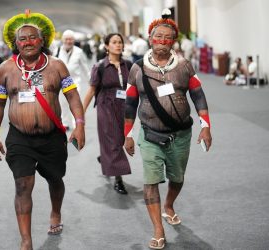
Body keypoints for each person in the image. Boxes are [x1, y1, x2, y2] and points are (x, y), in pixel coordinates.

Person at [0, 10, 85, 250]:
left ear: (42, 41)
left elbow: (73, 97)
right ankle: (26, 241)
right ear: (15, 43)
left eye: (33, 38)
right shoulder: (6, 70)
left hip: (52, 136)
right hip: (19, 138)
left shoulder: (57, 67)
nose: (28, 42)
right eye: (23, 39)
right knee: (23, 185)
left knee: (56, 179)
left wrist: (79, 126)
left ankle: (55, 212)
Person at [123, 13, 212, 249]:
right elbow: (130, 103)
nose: (162, 41)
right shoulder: (137, 69)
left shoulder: (183, 65)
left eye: (167, 38)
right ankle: (158, 229)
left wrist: (206, 126)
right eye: (158, 37)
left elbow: (198, 96)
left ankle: (169, 205)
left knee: (178, 178)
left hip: (180, 135)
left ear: (173, 42)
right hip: (150, 135)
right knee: (150, 181)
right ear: (150, 39)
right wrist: (128, 134)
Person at [82, 33, 132, 194]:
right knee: (114, 140)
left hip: (124, 107)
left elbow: (135, 88)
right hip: (106, 106)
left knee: (121, 137)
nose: (118, 45)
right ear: (106, 46)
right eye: (114, 42)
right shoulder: (100, 67)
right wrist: (80, 113)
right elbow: (91, 91)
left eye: (120, 42)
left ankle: (105, 158)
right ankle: (119, 179)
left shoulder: (128, 65)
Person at [55, 29, 90, 130]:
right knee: (63, 103)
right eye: (66, 39)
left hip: (75, 82)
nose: (68, 41)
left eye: (70, 39)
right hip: (60, 82)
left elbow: (85, 67)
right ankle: (65, 123)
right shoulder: (57, 51)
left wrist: (90, 80)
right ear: (63, 40)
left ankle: (76, 124)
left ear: (73, 40)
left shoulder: (79, 52)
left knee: (75, 104)